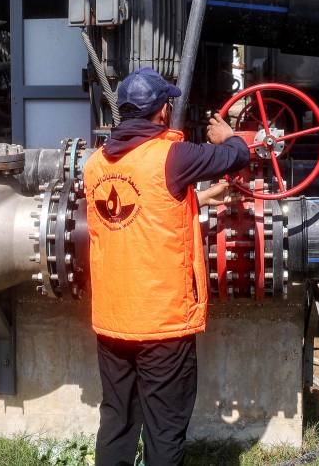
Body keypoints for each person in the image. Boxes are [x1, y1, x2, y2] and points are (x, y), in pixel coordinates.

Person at [83, 67, 250, 465]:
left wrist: (203, 198)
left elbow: (144, 211)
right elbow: (237, 157)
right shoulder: (172, 156)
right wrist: (230, 138)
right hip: (162, 324)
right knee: (165, 427)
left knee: (118, 419)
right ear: (161, 111)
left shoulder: (95, 165)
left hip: (113, 321)